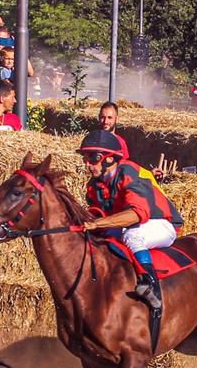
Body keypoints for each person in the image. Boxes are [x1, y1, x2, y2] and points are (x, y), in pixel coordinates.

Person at [76, 129, 183, 313]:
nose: (87, 163)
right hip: (128, 225)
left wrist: (98, 224)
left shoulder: (129, 171)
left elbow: (137, 214)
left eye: (93, 157)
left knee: (132, 235)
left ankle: (150, 284)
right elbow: (97, 216)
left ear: (109, 158)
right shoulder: (93, 186)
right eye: (85, 158)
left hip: (160, 223)